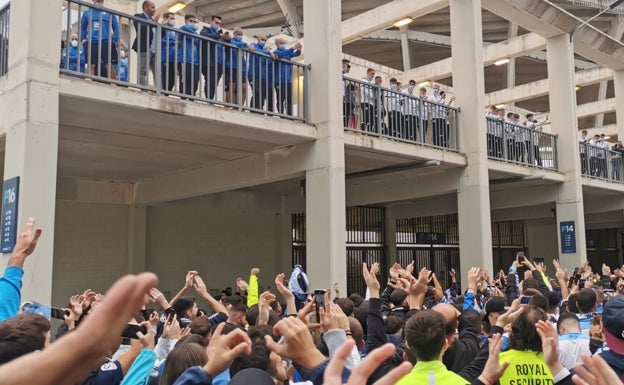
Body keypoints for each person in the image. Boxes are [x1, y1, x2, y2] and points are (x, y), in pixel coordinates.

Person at [80, 0, 119, 79]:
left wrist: (114, 40)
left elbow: (116, 27)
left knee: (109, 65)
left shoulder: (109, 13)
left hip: (106, 41)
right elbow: (83, 27)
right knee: (91, 64)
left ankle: (114, 84)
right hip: (92, 41)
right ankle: (88, 83)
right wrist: (83, 39)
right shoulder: (87, 12)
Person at [224, 27, 254, 106]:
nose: (240, 36)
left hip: (242, 68)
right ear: (234, 34)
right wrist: (245, 44)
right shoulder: (231, 40)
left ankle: (240, 106)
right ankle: (231, 105)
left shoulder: (242, 43)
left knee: (243, 88)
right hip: (231, 66)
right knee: (232, 87)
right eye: (238, 34)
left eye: (241, 34)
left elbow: (252, 49)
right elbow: (232, 43)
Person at [272, 38, 302, 116]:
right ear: (277, 44)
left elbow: (296, 54)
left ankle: (289, 115)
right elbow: (281, 54)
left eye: (284, 43)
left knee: (289, 99)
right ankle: (281, 114)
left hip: (288, 80)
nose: (283, 45)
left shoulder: (287, 52)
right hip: (279, 80)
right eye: (281, 43)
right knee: (281, 98)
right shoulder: (276, 52)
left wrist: (299, 49)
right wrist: (293, 48)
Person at [199, 15, 225, 100]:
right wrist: (219, 36)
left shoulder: (219, 34)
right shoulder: (205, 30)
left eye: (219, 23)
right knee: (210, 81)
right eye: (216, 22)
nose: (217, 25)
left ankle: (210, 99)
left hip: (219, 62)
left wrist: (226, 39)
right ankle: (209, 99)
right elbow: (204, 35)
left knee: (214, 83)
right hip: (209, 61)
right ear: (211, 22)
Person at [132, 0, 157, 87]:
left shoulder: (154, 21)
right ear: (145, 7)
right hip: (145, 48)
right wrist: (154, 23)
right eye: (152, 7)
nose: (154, 9)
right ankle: (143, 88)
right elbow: (141, 28)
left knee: (157, 72)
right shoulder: (138, 16)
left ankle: (159, 90)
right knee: (143, 70)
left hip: (155, 49)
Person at [248, 35, 274, 112]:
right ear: (258, 39)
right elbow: (253, 50)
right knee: (257, 92)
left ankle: (259, 110)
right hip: (253, 74)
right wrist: (268, 52)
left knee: (261, 94)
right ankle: (254, 110)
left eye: (265, 40)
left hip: (262, 76)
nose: (264, 41)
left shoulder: (265, 51)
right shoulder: (254, 44)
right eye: (262, 39)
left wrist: (269, 54)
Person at [177, 15, 200, 97]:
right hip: (185, 59)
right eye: (191, 21)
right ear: (186, 21)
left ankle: (191, 98)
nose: (193, 23)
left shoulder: (196, 34)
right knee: (184, 81)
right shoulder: (184, 28)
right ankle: (183, 98)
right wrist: (195, 33)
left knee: (195, 82)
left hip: (196, 62)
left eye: (195, 22)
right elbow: (184, 28)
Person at [160, 12, 177, 91]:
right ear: (165, 19)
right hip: (165, 58)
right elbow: (160, 41)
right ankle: (164, 93)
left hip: (173, 59)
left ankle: (167, 93)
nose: (173, 20)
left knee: (172, 79)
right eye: (171, 18)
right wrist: (173, 43)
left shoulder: (172, 32)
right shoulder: (162, 29)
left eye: (174, 18)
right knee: (165, 78)